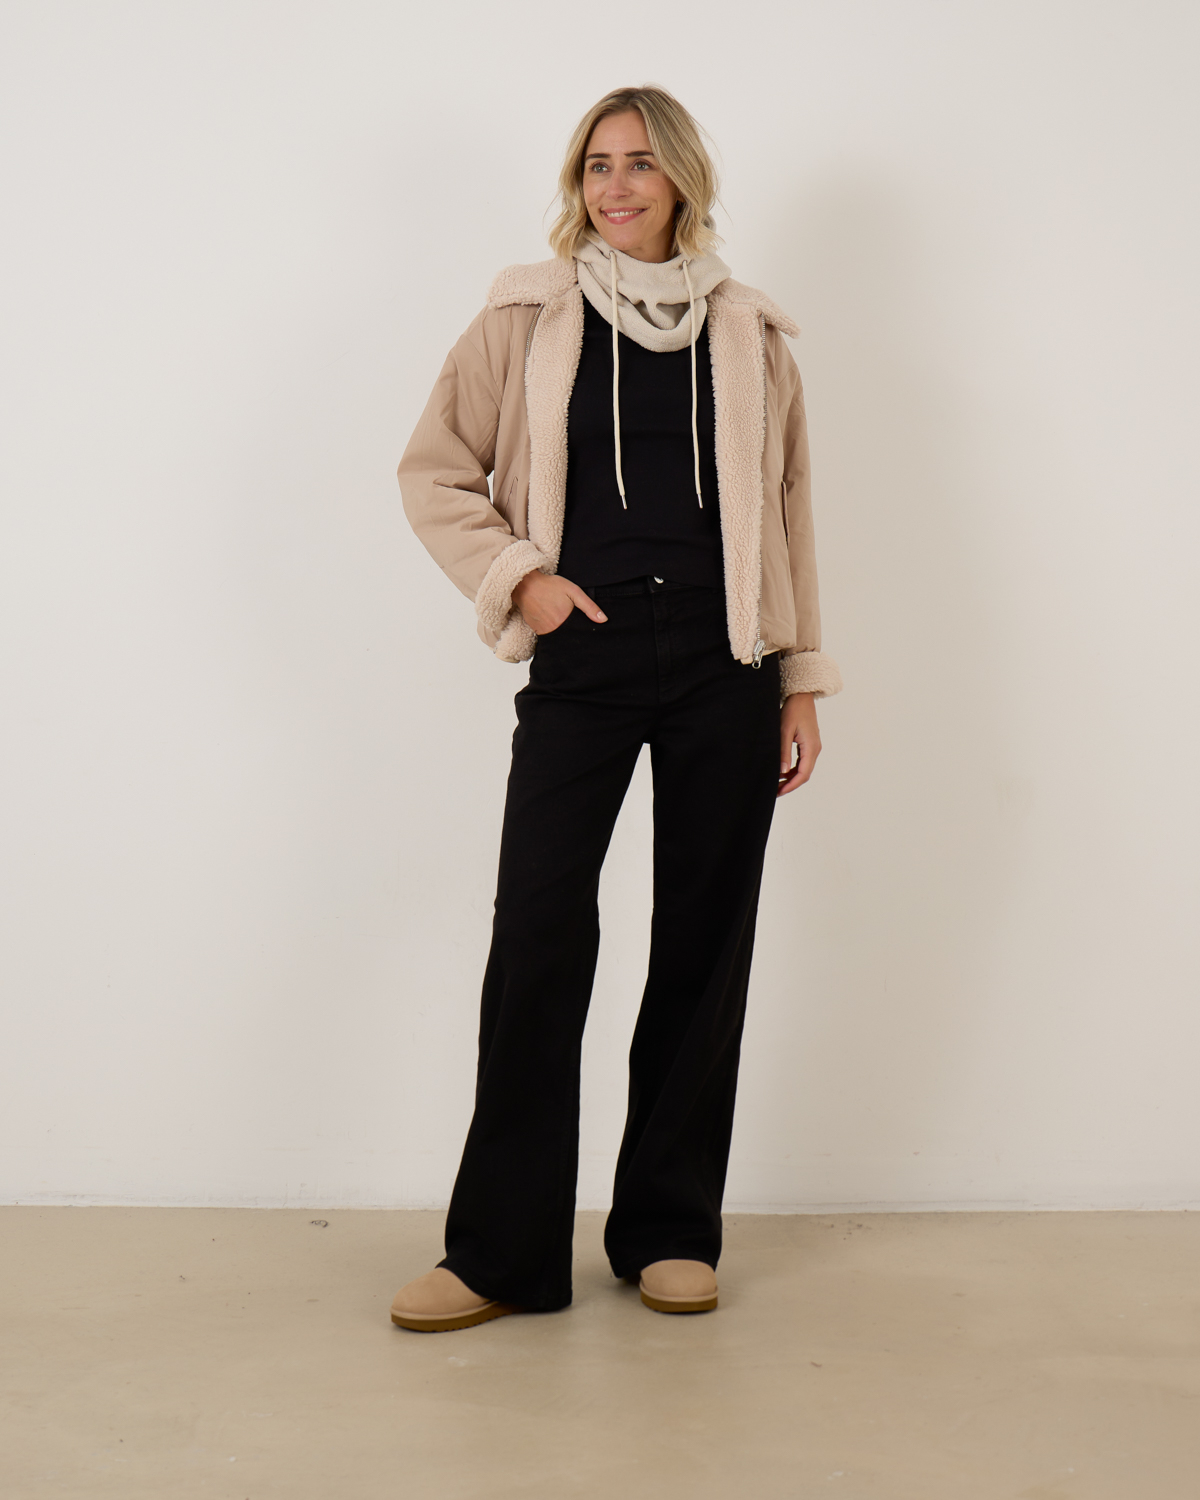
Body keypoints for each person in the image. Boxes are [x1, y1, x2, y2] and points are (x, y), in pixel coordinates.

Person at [390, 84, 841, 1333]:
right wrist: (519, 578)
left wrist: (801, 678)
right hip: (582, 662)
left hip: (725, 664)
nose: (616, 186)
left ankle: (668, 1232)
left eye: (640, 163)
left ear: (682, 177)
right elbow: (434, 472)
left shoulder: (751, 334)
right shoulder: (526, 316)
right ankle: (500, 1255)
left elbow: (792, 511)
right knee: (539, 934)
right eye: (597, 165)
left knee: (703, 941)